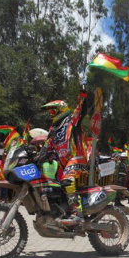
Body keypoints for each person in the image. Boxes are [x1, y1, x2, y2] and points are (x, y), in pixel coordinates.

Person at [41, 90, 88, 226]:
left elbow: (81, 111)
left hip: (77, 158)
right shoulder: (53, 130)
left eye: (52, 111)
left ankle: (77, 214)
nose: (51, 114)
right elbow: (46, 147)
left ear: (60, 110)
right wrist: (36, 157)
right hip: (63, 163)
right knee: (53, 186)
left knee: (67, 181)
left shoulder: (71, 120)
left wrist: (83, 98)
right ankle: (61, 212)